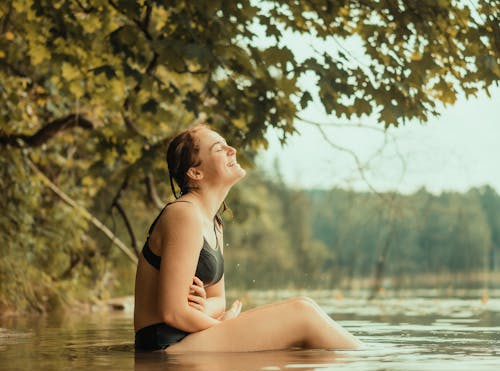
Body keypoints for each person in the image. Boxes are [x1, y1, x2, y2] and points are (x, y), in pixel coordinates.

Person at [134, 123, 362, 353]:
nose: (231, 149)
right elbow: (172, 312)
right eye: (218, 148)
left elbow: (218, 301)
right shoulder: (183, 214)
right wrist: (223, 325)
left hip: (189, 339)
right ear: (195, 172)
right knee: (303, 313)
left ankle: (358, 366)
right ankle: (371, 363)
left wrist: (203, 310)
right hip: (164, 346)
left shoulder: (214, 223)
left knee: (306, 317)